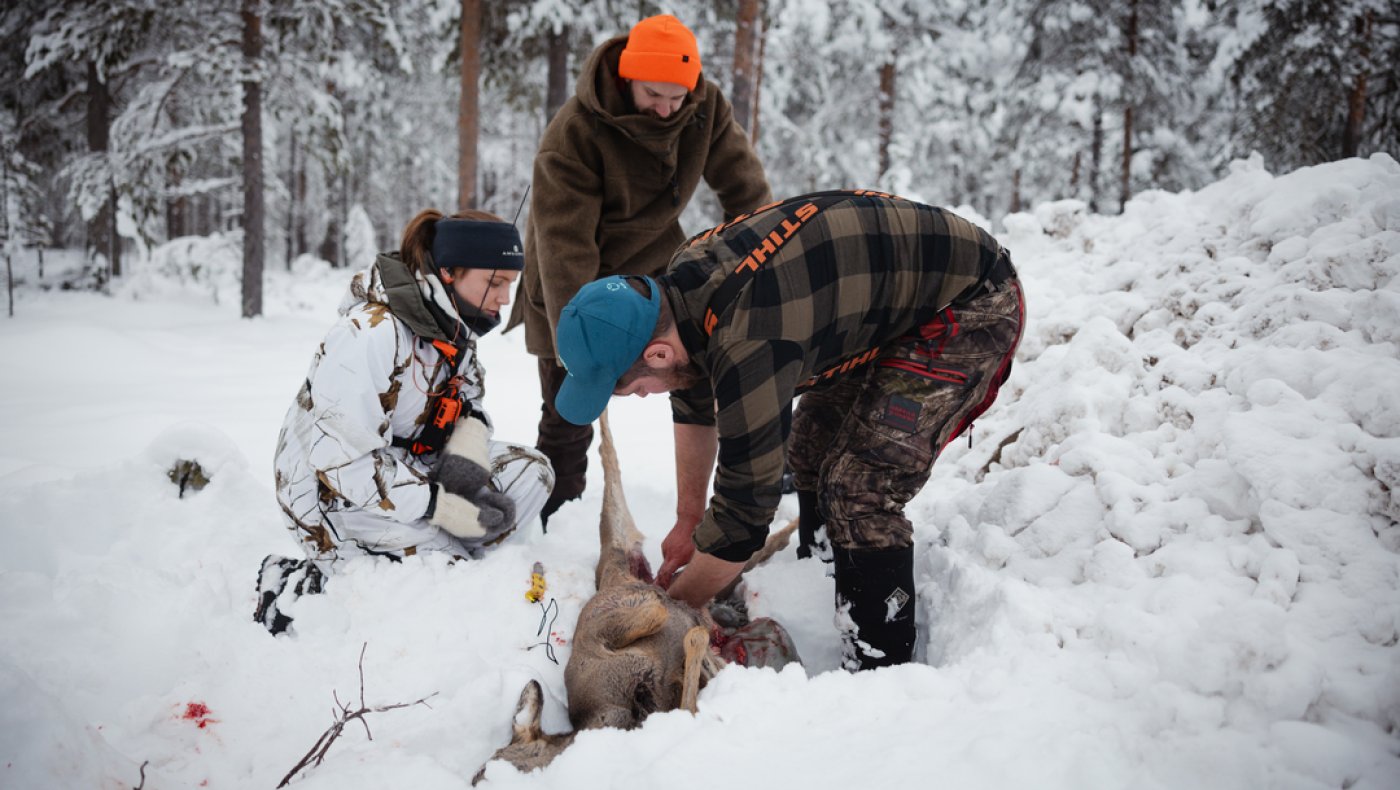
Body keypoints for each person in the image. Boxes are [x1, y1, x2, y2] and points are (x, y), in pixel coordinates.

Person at [551, 189, 1026, 671]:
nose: (645, 396)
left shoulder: (748, 338)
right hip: (877, 311)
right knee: (808, 449)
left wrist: (677, 606)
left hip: (968, 305)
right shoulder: (681, 292)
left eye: (636, 389)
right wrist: (689, 518)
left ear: (657, 354)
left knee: (858, 487)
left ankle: (881, 668)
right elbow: (694, 399)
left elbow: (745, 515)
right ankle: (821, 581)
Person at [505, 13, 773, 525]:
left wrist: (762, 261)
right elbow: (566, 243)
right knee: (570, 398)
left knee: (696, 364)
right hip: (571, 272)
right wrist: (577, 341)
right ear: (627, 78)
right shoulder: (575, 134)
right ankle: (555, 510)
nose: (667, 108)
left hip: (650, 264)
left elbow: (745, 190)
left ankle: (731, 491)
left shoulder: (703, 108)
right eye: (654, 94)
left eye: (678, 97)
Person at [256, 209, 555, 634]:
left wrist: (465, 468)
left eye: (510, 284)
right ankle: (302, 589)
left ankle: (450, 556)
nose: (504, 300)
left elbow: (470, 402)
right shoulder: (371, 335)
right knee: (445, 575)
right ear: (449, 272)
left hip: (409, 468)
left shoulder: (454, 325)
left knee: (532, 473)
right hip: (330, 498)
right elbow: (344, 466)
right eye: (495, 282)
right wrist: (442, 507)